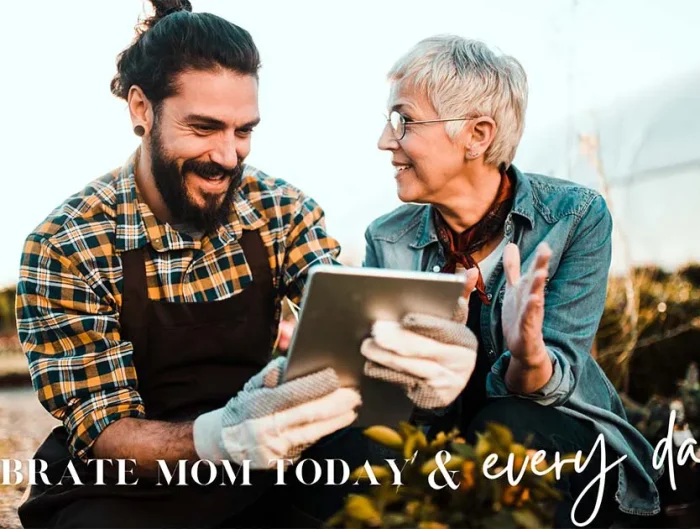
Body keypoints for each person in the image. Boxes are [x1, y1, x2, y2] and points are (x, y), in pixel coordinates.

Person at [15, 4, 478, 528]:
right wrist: (221, 437)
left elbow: (352, 335)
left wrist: (418, 369)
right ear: (141, 109)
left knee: (377, 467)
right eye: (204, 128)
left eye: (243, 131)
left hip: (264, 470)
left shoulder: (281, 211)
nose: (228, 156)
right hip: (128, 488)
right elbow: (106, 432)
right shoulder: (67, 244)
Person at [361, 35, 662, 527]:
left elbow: (552, 383)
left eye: (404, 121)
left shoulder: (573, 217)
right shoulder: (386, 238)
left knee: (508, 429)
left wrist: (529, 357)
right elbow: (393, 405)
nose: (385, 140)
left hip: (557, 438)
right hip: (440, 446)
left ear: (477, 135)